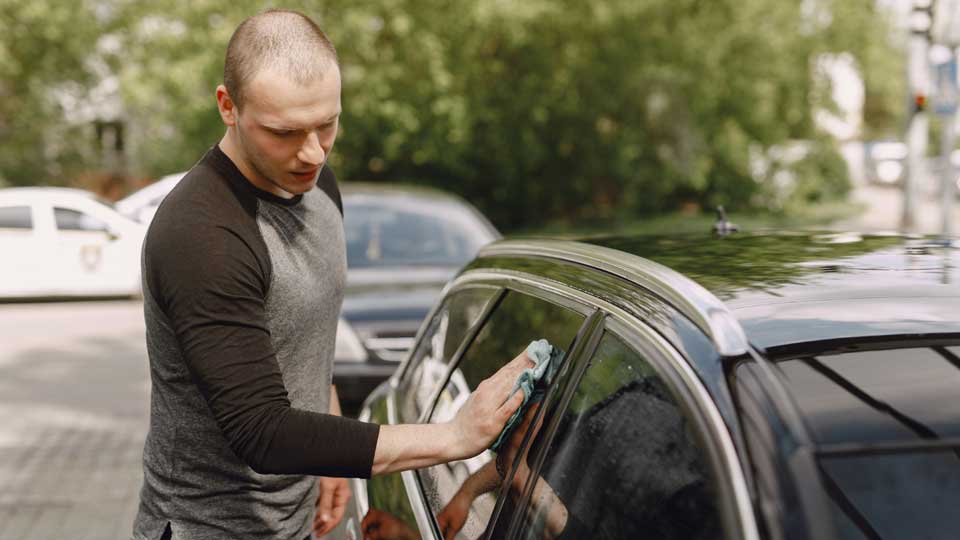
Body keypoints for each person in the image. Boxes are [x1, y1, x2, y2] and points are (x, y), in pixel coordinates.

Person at [132, 9, 527, 540]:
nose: (313, 152)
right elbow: (263, 432)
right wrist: (454, 436)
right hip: (208, 528)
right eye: (284, 132)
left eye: (327, 124)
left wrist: (332, 443)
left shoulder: (319, 186)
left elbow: (307, 327)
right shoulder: (201, 234)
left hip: (293, 520)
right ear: (228, 106)